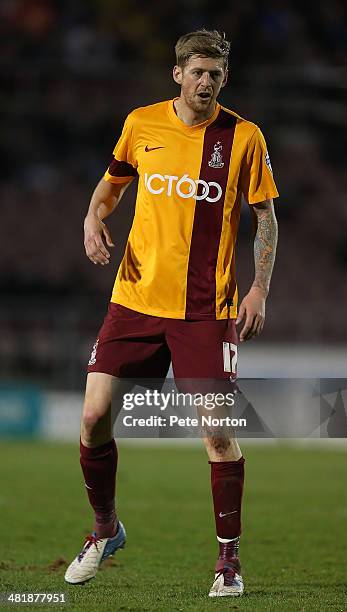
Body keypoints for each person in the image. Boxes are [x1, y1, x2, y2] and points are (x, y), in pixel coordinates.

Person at [64, 29, 279, 597]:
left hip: (206, 311)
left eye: (216, 73)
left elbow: (265, 217)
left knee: (216, 433)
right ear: (177, 74)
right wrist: (92, 218)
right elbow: (111, 185)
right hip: (133, 299)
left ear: (224, 79)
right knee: (91, 419)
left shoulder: (243, 136)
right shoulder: (141, 124)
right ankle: (106, 528)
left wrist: (258, 289)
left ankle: (228, 564)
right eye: (197, 72)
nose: (206, 82)